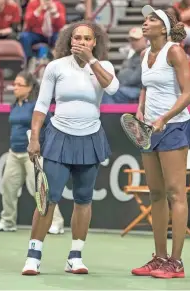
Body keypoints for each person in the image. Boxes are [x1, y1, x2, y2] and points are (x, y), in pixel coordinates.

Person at [22, 20, 119, 275]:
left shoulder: (104, 66)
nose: (83, 42)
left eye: (88, 39)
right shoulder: (55, 67)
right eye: (78, 38)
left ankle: (75, 256)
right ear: (70, 40)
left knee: (83, 200)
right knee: (48, 199)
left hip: (90, 138)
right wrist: (34, 138)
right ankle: (33, 255)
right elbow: (42, 105)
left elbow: (113, 88)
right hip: (58, 137)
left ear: (95, 42)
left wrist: (92, 61)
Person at [131, 5, 190, 279]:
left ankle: (176, 262)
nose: (145, 24)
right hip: (150, 129)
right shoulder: (146, 53)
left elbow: (188, 94)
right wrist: (140, 109)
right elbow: (146, 86)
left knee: (175, 193)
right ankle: (159, 258)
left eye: (152, 20)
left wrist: (163, 118)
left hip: (173, 127)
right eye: (145, 19)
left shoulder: (175, 51)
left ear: (165, 28)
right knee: (155, 194)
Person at [0, 70, 65, 234]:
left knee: (39, 189)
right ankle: (8, 221)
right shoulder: (14, 106)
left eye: (19, 84)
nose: (14, 87)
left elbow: (51, 125)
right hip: (14, 153)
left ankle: (57, 222)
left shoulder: (38, 106)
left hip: (33, 155)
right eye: (14, 84)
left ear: (29, 87)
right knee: (8, 186)